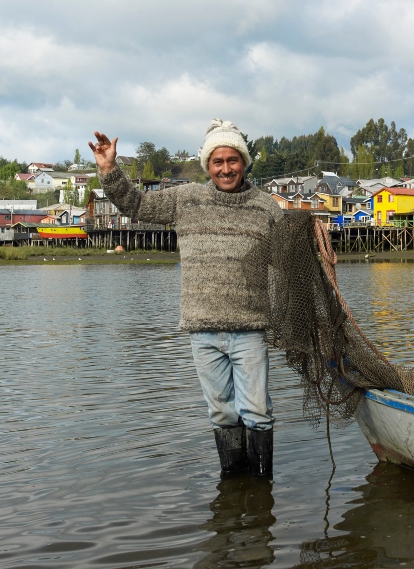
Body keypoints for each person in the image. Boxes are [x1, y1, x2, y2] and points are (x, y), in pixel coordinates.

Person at [89, 120, 284, 478]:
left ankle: (259, 493)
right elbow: (136, 204)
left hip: (251, 329)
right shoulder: (186, 199)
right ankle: (234, 480)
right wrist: (109, 169)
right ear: (207, 165)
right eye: (217, 161)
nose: (226, 168)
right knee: (222, 414)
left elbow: (288, 258)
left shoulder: (266, 207)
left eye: (233, 160)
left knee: (256, 412)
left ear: (244, 161)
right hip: (203, 330)